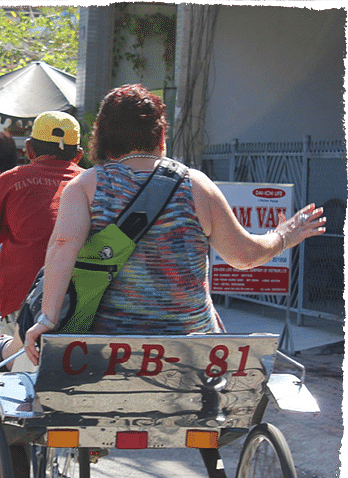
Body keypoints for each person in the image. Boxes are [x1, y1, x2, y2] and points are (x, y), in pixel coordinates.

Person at [23, 84, 326, 365]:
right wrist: (282, 236)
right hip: (191, 349)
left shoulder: (86, 186)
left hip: (109, 349)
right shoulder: (196, 186)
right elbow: (244, 255)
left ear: (102, 139)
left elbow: (63, 247)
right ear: (161, 136)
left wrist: (48, 320)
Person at [0, 111, 85, 366]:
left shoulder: (10, 181)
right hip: (85, 310)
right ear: (78, 155)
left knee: (5, 365)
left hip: (23, 309)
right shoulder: (92, 183)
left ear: (29, 149)